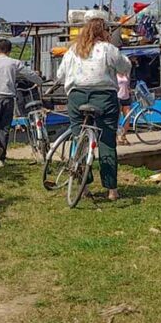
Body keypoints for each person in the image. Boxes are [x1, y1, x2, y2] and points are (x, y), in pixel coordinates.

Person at [55, 18, 131, 201]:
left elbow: (59, 75)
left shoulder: (73, 50)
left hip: (76, 97)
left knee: (78, 139)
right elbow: (125, 67)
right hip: (104, 97)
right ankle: (112, 189)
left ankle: (84, 185)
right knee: (106, 141)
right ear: (103, 32)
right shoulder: (107, 49)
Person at [0, 39, 42, 166]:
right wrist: (40, 81)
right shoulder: (14, 62)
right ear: (9, 51)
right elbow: (29, 74)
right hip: (8, 99)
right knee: (4, 128)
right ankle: (1, 159)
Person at [116, 71, 132, 146]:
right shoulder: (114, 74)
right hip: (118, 98)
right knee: (117, 119)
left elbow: (128, 85)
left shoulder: (126, 74)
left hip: (126, 97)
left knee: (128, 117)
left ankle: (123, 135)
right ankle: (116, 138)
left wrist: (130, 90)